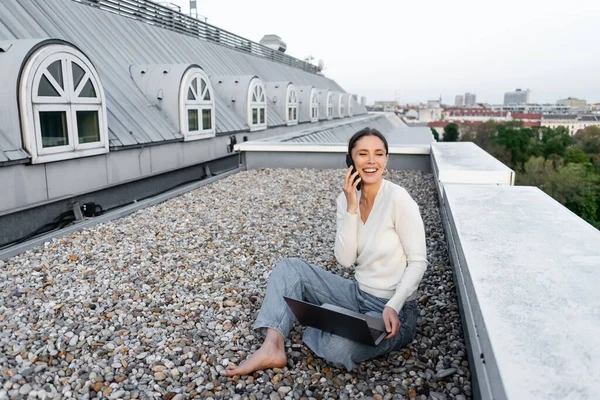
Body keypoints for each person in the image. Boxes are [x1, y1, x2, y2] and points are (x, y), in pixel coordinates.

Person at [226, 127, 427, 375]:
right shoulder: (346, 199)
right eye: (363, 153)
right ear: (351, 160)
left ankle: (328, 322)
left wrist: (394, 305)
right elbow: (345, 260)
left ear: (386, 159)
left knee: (338, 349)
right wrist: (352, 208)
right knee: (289, 268)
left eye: (379, 153)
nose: (372, 160)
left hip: (395, 312)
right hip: (357, 295)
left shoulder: (399, 199)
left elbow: (418, 262)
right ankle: (272, 346)